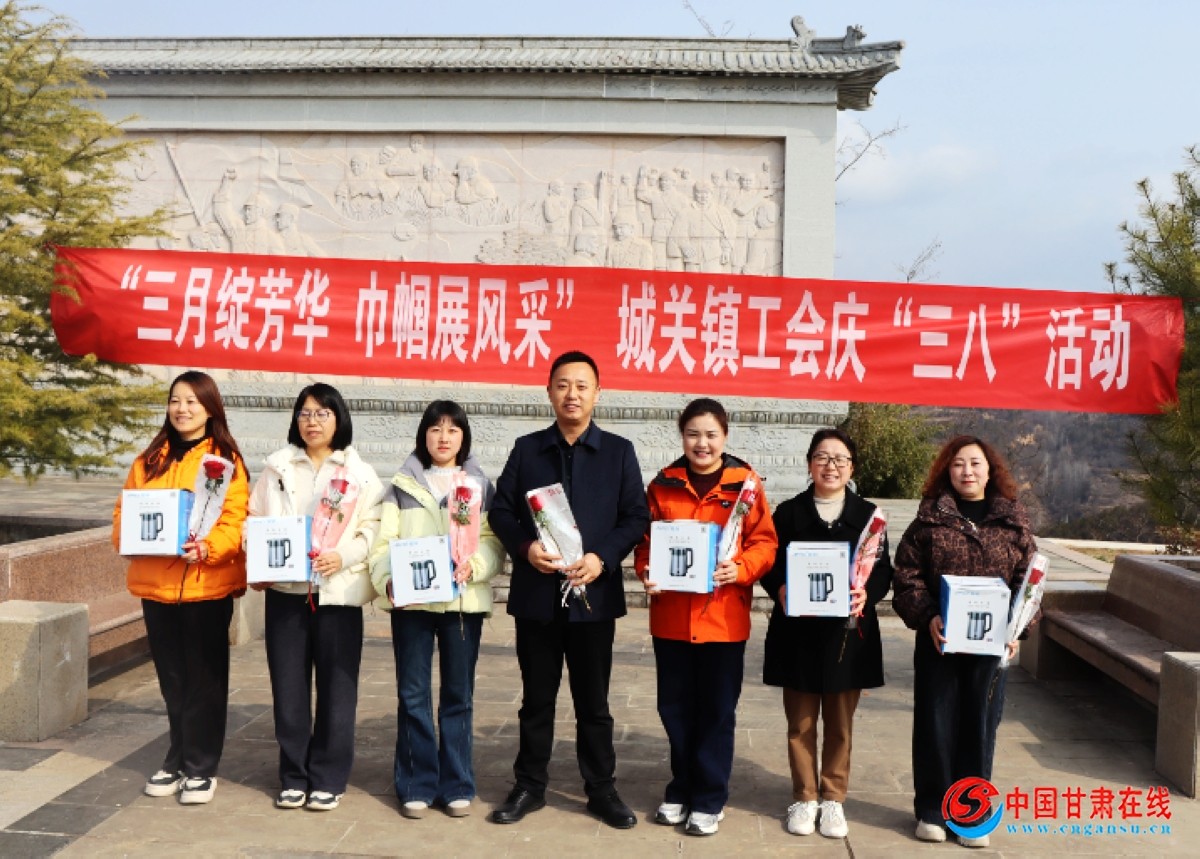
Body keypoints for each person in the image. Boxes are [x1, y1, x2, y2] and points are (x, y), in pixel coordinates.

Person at [488, 351, 650, 829]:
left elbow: (636, 516)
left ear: (598, 393)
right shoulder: (527, 449)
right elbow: (501, 511)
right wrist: (525, 548)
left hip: (593, 598)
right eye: (562, 385)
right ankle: (529, 786)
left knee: (593, 704)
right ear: (549, 392)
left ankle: (601, 789)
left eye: (581, 386)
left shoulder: (618, 452)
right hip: (538, 597)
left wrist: (602, 558)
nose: (572, 394)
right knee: (536, 700)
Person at [633, 398, 777, 836]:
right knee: (675, 709)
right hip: (673, 619)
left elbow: (765, 542)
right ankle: (680, 789)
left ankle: (710, 798)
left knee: (716, 711)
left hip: (723, 621)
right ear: (682, 436)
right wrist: (647, 571)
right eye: (693, 434)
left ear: (725, 437)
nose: (702, 443)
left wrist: (742, 568)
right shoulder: (663, 485)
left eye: (711, 434)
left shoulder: (745, 485)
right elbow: (645, 543)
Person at [112, 370, 249, 805]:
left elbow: (235, 520)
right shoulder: (149, 459)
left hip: (206, 585)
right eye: (175, 400)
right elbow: (124, 510)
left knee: (205, 679)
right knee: (172, 679)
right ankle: (177, 755)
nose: (182, 409)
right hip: (157, 586)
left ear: (210, 408)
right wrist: (128, 539)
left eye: (192, 401)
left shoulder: (224, 461)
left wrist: (208, 548)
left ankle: (201, 766)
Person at [892, 436, 1036, 849]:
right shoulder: (929, 520)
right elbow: (906, 576)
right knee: (935, 723)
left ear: (990, 471)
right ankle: (932, 811)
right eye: (958, 464)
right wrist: (928, 616)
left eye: (975, 463)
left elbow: (1029, 580)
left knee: (980, 726)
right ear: (947, 471)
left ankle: (971, 814)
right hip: (940, 641)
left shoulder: (1013, 521)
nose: (967, 471)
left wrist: (1017, 627)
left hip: (990, 646)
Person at [248, 384, 384, 812]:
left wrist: (343, 556)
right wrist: (260, 561)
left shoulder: (359, 473)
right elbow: (254, 520)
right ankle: (293, 775)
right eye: (305, 413)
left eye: (323, 413)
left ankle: (328, 776)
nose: (313, 421)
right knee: (287, 689)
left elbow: (373, 528)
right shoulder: (277, 468)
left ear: (338, 419)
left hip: (336, 594)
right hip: (286, 594)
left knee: (337, 691)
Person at [369, 400, 505, 820]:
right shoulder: (400, 486)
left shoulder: (479, 486)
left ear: (464, 437)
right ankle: (416, 783)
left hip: (462, 603)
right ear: (423, 435)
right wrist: (387, 579)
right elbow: (383, 543)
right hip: (412, 603)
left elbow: (493, 542)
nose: (443, 437)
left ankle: (457, 783)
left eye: (452, 429)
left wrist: (475, 565)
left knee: (458, 695)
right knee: (412, 694)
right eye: (435, 429)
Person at [760, 429, 892, 840]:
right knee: (800, 723)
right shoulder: (788, 513)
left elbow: (883, 570)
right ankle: (804, 796)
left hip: (846, 636)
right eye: (822, 457)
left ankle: (833, 797)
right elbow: (768, 562)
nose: (830, 466)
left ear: (852, 468)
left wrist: (867, 594)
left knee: (840, 724)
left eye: (839, 459)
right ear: (809, 464)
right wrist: (779, 587)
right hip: (797, 634)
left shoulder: (869, 517)